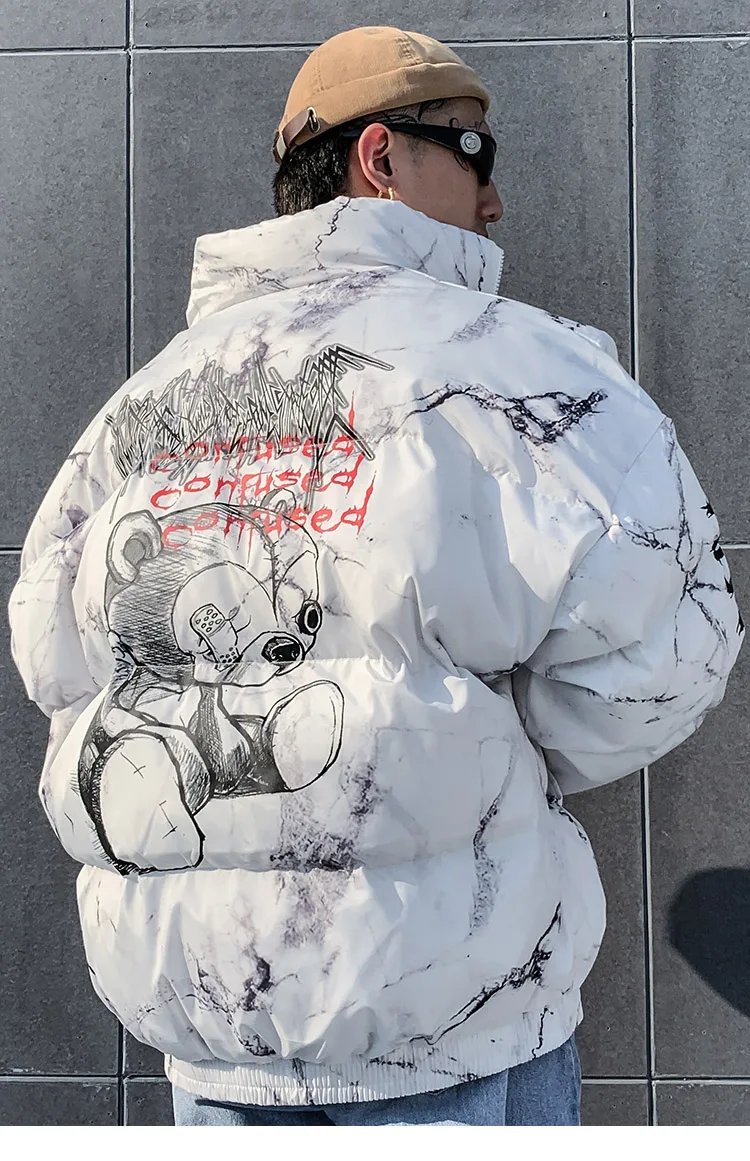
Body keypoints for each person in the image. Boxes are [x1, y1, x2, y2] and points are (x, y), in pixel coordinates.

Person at [7, 25, 742, 1128]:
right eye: (477, 151)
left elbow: (59, 662)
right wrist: (464, 751)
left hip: (211, 1046)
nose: (494, 199)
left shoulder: (141, 404)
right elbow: (669, 648)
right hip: (451, 1036)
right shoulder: (512, 366)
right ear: (381, 156)